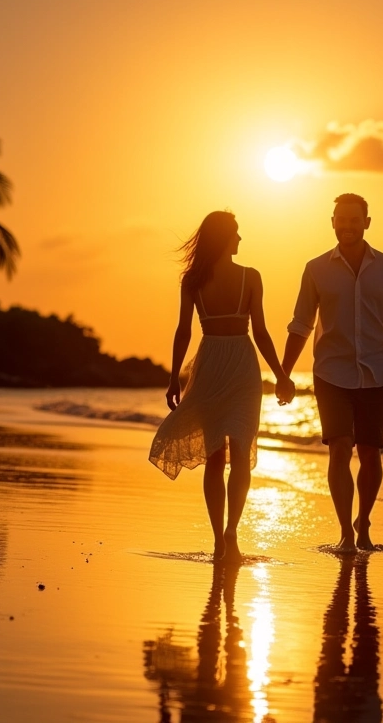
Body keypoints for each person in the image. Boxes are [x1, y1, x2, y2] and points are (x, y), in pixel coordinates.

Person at [149, 210, 294, 563]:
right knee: (239, 454)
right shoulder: (248, 277)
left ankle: (220, 539)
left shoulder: (193, 280)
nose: (240, 238)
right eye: (236, 233)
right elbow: (260, 333)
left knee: (216, 457)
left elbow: (184, 331)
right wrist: (280, 375)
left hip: (212, 364)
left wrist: (174, 378)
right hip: (241, 365)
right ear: (224, 238)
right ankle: (230, 533)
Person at [281, 193, 383, 552]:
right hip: (331, 373)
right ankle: (346, 533)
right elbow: (300, 324)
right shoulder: (316, 269)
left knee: (370, 452)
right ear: (333, 222)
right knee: (339, 448)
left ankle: (363, 522)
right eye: (342, 219)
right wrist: (284, 373)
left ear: (366, 223)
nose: (348, 226)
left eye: (355, 220)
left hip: (375, 374)